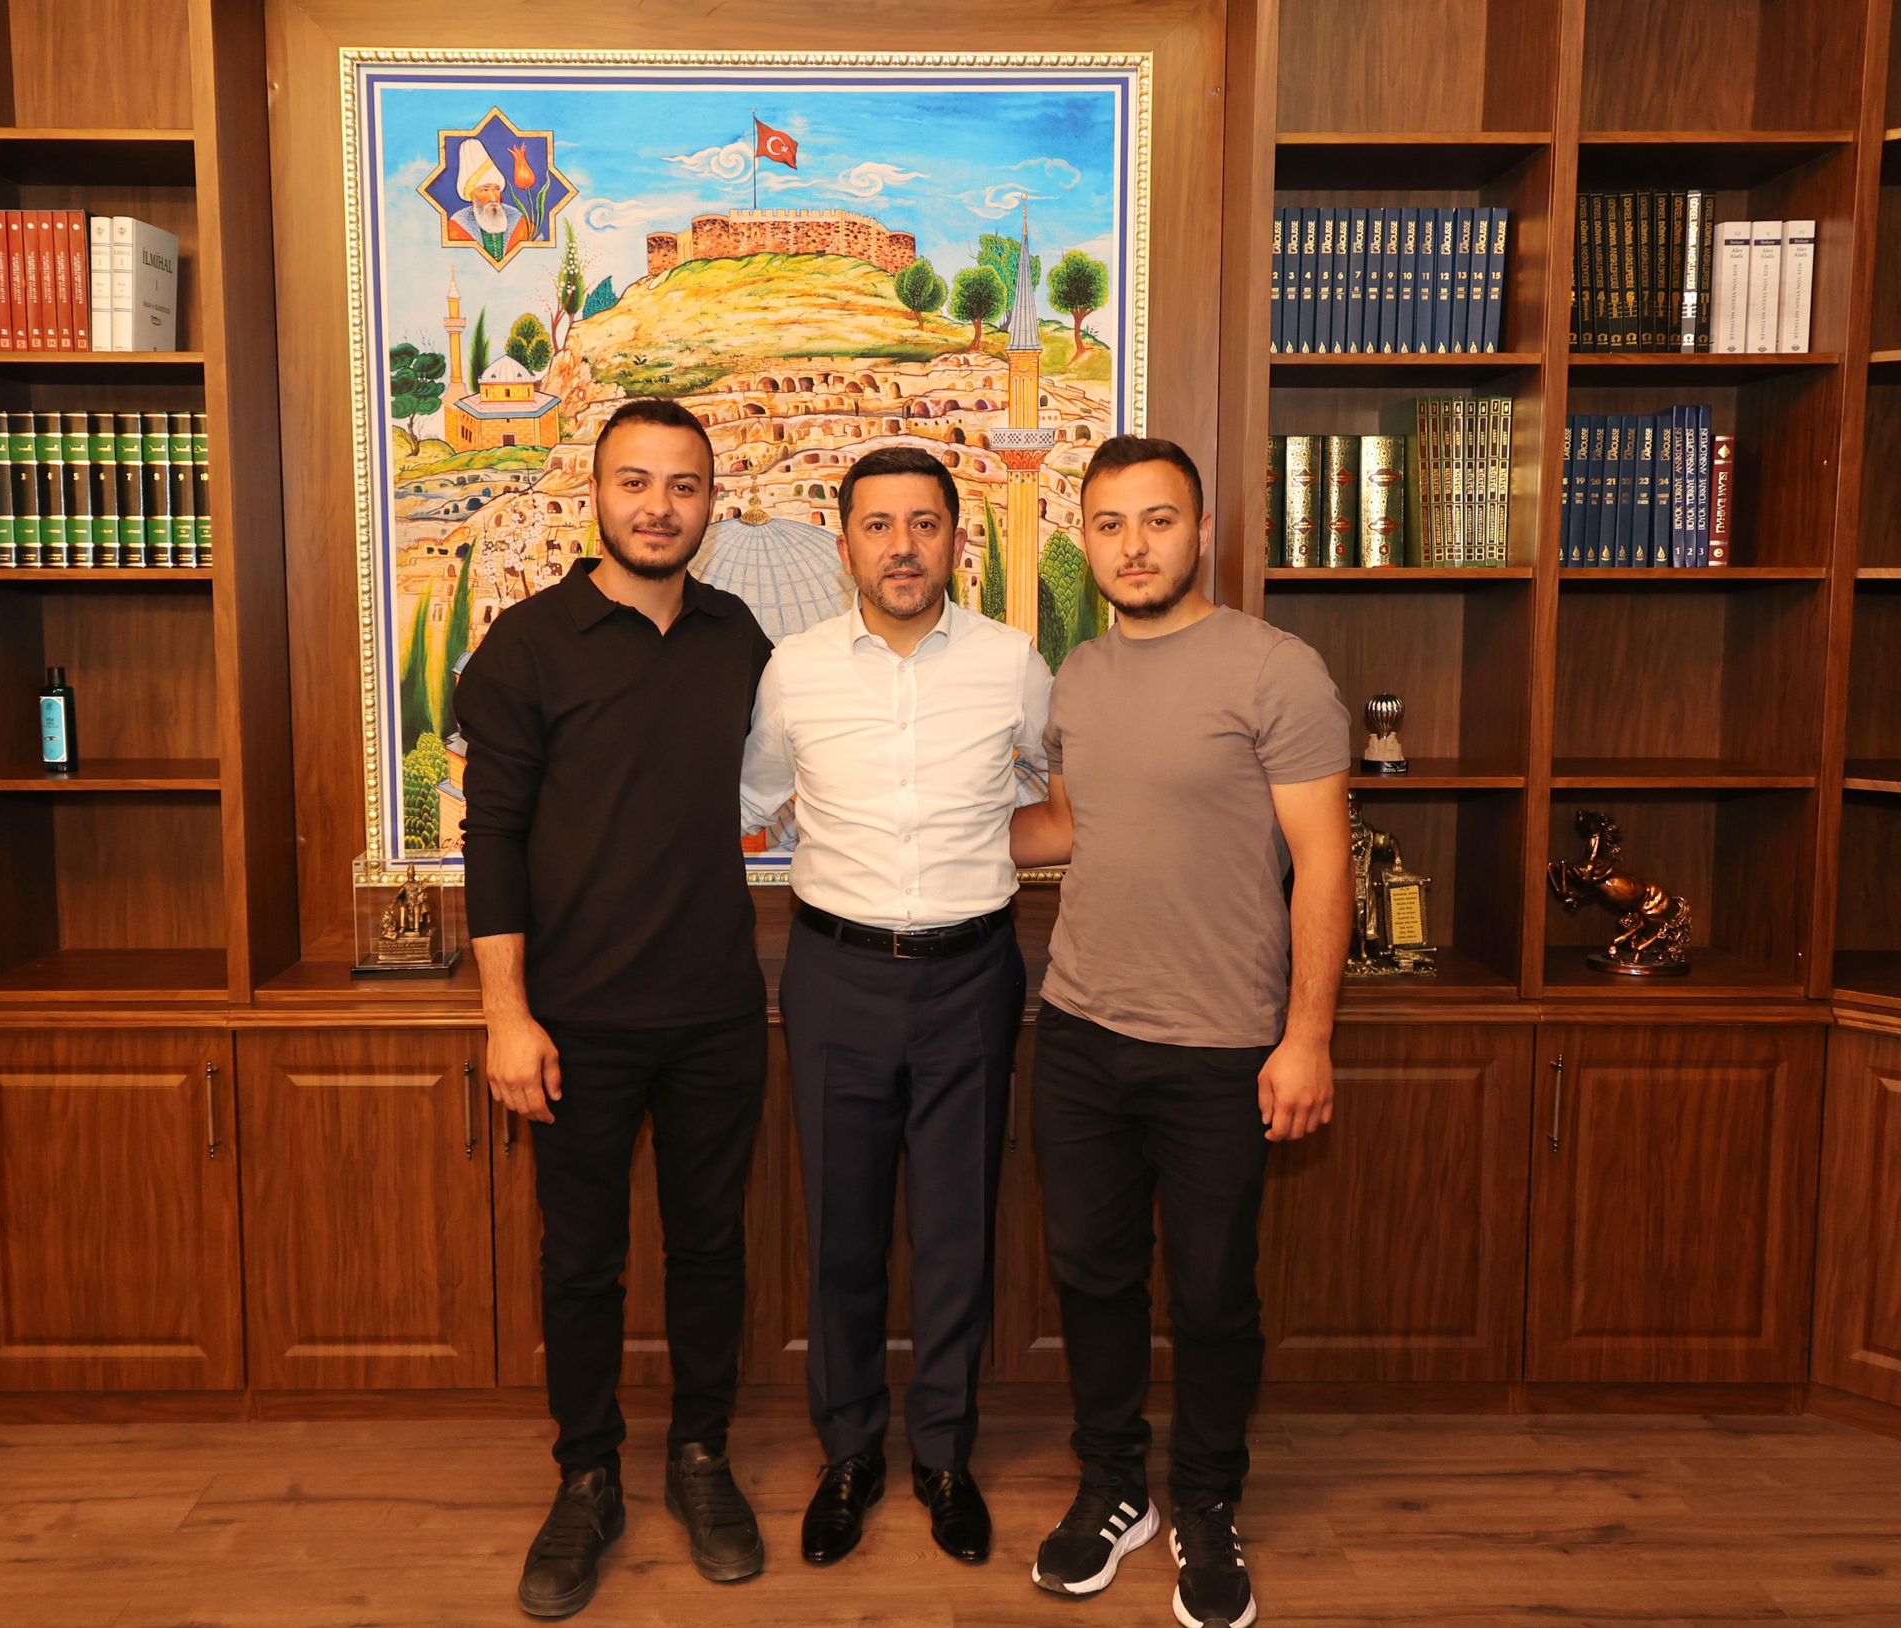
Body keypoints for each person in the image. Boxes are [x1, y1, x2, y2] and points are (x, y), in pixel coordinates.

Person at [1012, 435, 1350, 1628]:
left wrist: (1305, 1036)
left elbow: (1323, 865)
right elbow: (1063, 827)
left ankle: (1205, 1498)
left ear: (1200, 532)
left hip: (1220, 1045)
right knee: (1090, 1275)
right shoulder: (1078, 676)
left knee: (1210, 1292)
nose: (1133, 545)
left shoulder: (1273, 669)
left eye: (1157, 520)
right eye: (1109, 523)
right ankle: (1115, 1486)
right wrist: (903, 824)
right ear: (1087, 537)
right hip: (1079, 1029)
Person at [455, 398, 775, 1619]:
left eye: (682, 485)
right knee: (581, 1260)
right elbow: (493, 839)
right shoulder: (528, 645)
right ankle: (586, 1475)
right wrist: (506, 1014)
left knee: (709, 1247)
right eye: (634, 481)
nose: (658, 506)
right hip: (574, 1020)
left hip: (714, 1008)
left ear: (711, 501)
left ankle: (700, 1454)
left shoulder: (738, 636)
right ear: (594, 493)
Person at [739, 446, 1051, 1568]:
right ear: (845, 547)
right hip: (835, 976)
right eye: (878, 525)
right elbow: (754, 798)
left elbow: (1053, 790)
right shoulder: (794, 670)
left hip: (972, 973)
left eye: (924, 523)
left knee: (959, 1228)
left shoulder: (1014, 663)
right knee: (842, 1229)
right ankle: (849, 1452)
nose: (902, 547)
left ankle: (945, 1454)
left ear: (955, 540)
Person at [448, 137, 532, 264]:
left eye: (496, 189)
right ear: (472, 196)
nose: (493, 198)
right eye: (485, 190)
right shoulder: (458, 224)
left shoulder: (517, 220)